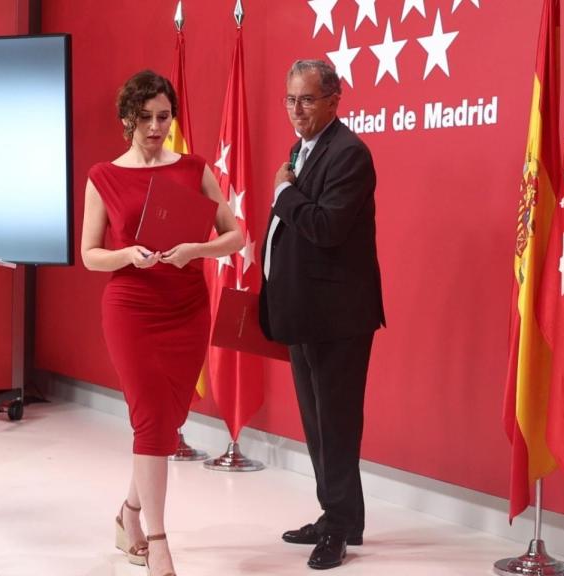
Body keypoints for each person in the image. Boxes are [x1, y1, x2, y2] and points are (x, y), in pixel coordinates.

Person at [81, 70, 243, 576]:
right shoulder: (103, 175)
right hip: (132, 308)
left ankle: (128, 512)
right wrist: (127, 253)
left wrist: (197, 249)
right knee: (150, 418)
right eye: (146, 117)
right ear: (127, 118)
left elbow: (235, 236)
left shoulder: (194, 169)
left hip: (187, 307)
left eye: (164, 117)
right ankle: (158, 539)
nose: (156, 127)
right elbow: (89, 255)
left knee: (167, 423)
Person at [259, 59, 385, 570]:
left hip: (339, 318)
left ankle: (337, 527)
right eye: (290, 99)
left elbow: (327, 227)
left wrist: (283, 193)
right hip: (305, 311)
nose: (296, 110)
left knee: (335, 423)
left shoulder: (350, 153)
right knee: (316, 423)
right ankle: (340, 517)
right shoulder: (302, 149)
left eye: (307, 99)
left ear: (335, 99)